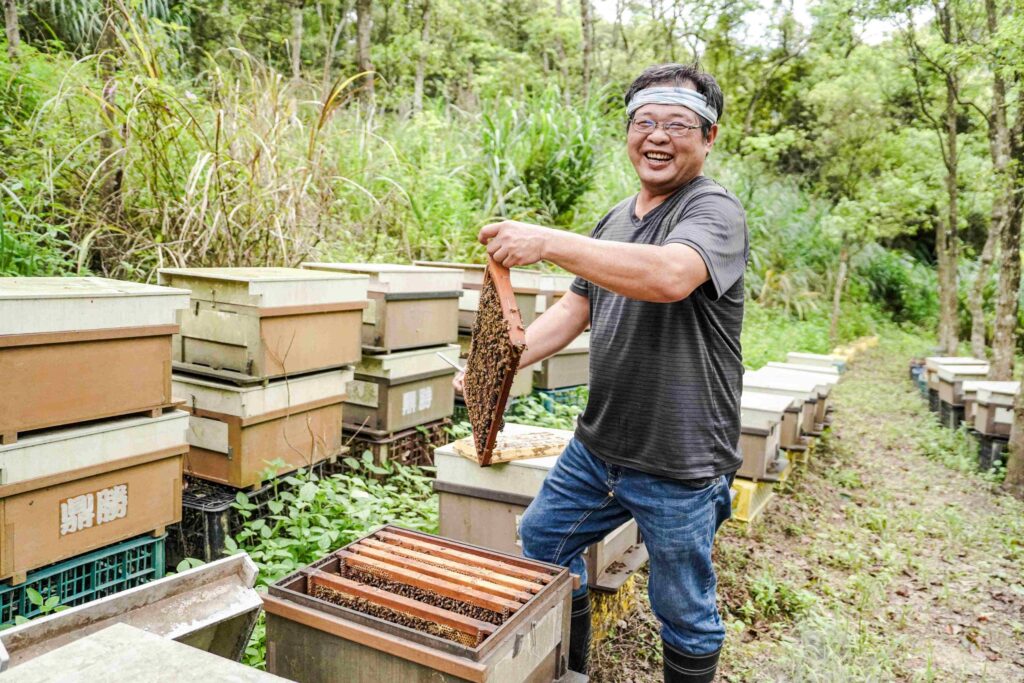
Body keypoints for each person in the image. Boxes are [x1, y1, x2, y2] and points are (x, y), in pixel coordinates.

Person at [455, 62, 748, 683]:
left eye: (677, 123)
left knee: (684, 608)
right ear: (628, 131)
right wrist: (496, 365)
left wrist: (548, 240)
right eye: (645, 122)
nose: (658, 136)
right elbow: (575, 308)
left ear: (709, 136)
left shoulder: (714, 211)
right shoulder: (615, 219)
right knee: (544, 543)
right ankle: (574, 670)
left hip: (679, 457)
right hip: (598, 444)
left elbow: (669, 276)